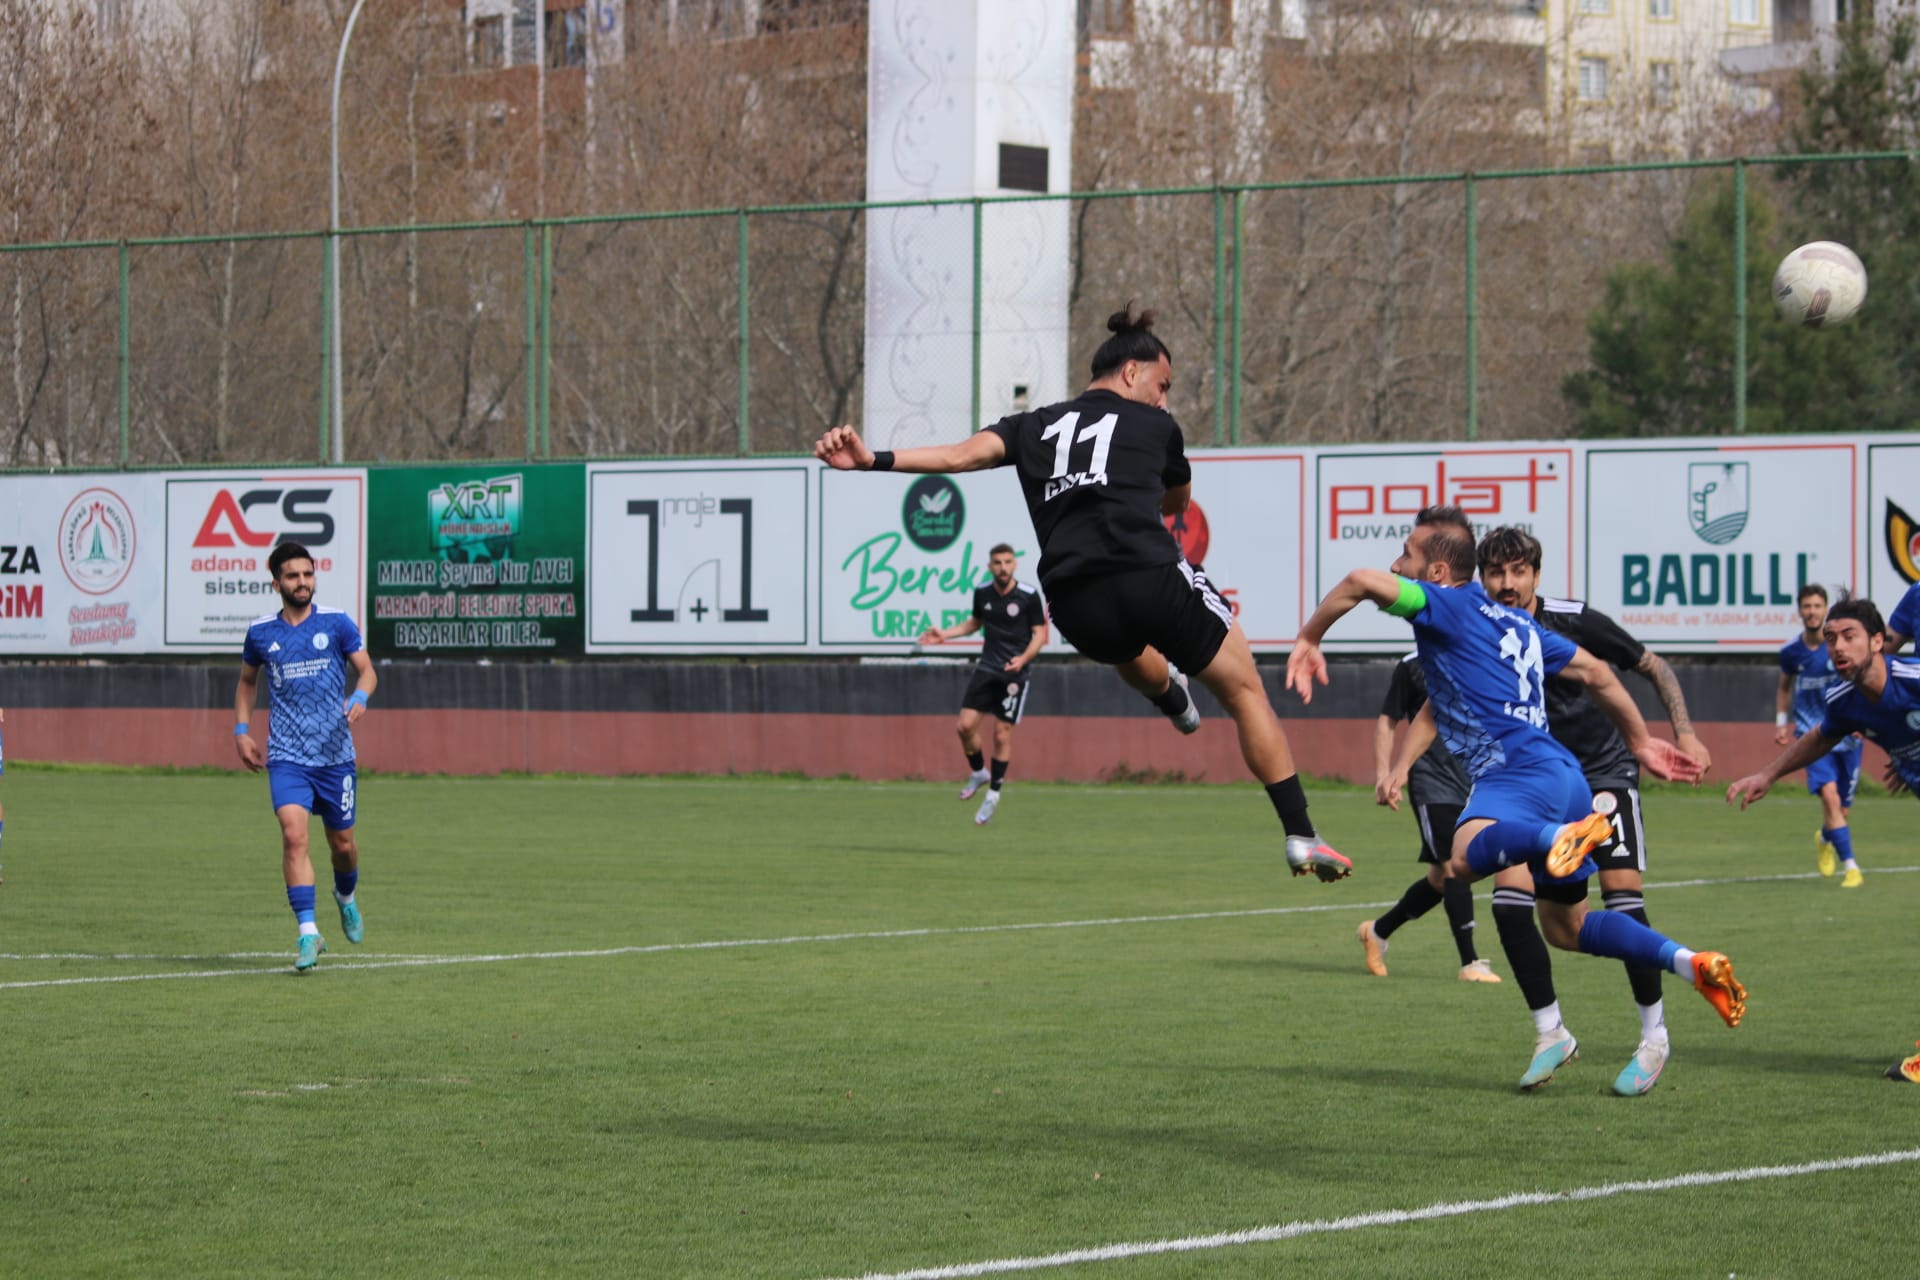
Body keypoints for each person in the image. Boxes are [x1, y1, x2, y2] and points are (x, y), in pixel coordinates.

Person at [814, 305, 1347, 881]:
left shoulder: (1032, 425)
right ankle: (1300, 834)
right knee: (1245, 692)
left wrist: (873, 461)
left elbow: (961, 456)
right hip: (1146, 572)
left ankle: (1172, 698)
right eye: (1162, 386)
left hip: (1071, 599)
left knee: (1122, 645)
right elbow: (1176, 503)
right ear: (1131, 372)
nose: (1164, 400)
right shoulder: (1158, 428)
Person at [1290, 506, 1744, 1091]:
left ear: (1435, 572)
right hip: (1568, 779)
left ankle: (1553, 843)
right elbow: (1599, 676)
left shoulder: (1446, 604)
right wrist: (1642, 743)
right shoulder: (1521, 628)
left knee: (1459, 856)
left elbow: (1357, 581)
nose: (1395, 563)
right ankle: (1687, 963)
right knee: (1567, 927)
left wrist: (1308, 637)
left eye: (1406, 554)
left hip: (1518, 776)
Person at [1470, 525, 1712, 1095]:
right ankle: (1550, 1032)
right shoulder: (1478, 628)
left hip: (1603, 776)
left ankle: (1654, 1037)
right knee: (1523, 913)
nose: (1507, 584)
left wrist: (1683, 732)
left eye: (1518, 571)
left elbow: (1652, 665)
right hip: (1532, 786)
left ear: (1536, 573)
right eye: (1495, 573)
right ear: (1482, 578)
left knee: (1624, 902)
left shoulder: (1574, 621)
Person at [1728, 598, 1919, 1083]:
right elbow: (1820, 738)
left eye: (1849, 634)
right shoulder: (1845, 698)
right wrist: (1768, 774)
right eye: (1831, 638)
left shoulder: (1913, 678)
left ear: (1879, 641)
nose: (1837, 645)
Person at [234, 542, 377, 973]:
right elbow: (246, 683)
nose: (302, 583)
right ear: (276, 582)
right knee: (294, 836)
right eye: (293, 576)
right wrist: (242, 731)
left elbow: (368, 670)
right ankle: (309, 933)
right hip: (287, 755)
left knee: (343, 846)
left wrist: (359, 694)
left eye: (308, 575)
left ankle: (346, 897)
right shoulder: (261, 633)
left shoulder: (336, 623)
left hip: (335, 756)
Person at [1363, 653, 1501, 984]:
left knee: (1440, 879)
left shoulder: (1484, 655)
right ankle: (1470, 962)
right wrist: (1385, 774)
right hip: (1432, 783)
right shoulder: (1413, 665)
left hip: (1475, 780)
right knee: (1457, 865)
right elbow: (1388, 719)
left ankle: (1377, 931)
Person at [919, 542, 1048, 826]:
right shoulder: (983, 592)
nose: (1003, 567)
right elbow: (975, 623)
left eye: (1007, 562)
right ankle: (979, 772)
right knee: (964, 727)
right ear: (991, 567)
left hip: (1015, 672)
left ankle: (993, 794)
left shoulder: (1027, 595)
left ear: (1014, 564)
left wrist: (1023, 658)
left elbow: (1040, 634)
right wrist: (945, 634)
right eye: (998, 563)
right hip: (987, 667)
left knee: (1002, 734)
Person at [1777, 584, 1865, 887]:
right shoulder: (1791, 653)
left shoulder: (1841, 649)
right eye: (1807, 606)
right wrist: (1781, 723)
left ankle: (1825, 838)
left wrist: (1862, 718)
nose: (1812, 611)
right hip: (1812, 735)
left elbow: (1859, 682)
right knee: (1829, 797)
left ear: (1825, 609)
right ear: (1800, 611)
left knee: (1841, 810)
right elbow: (1784, 687)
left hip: (1848, 735)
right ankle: (1851, 866)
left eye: (1817, 606)